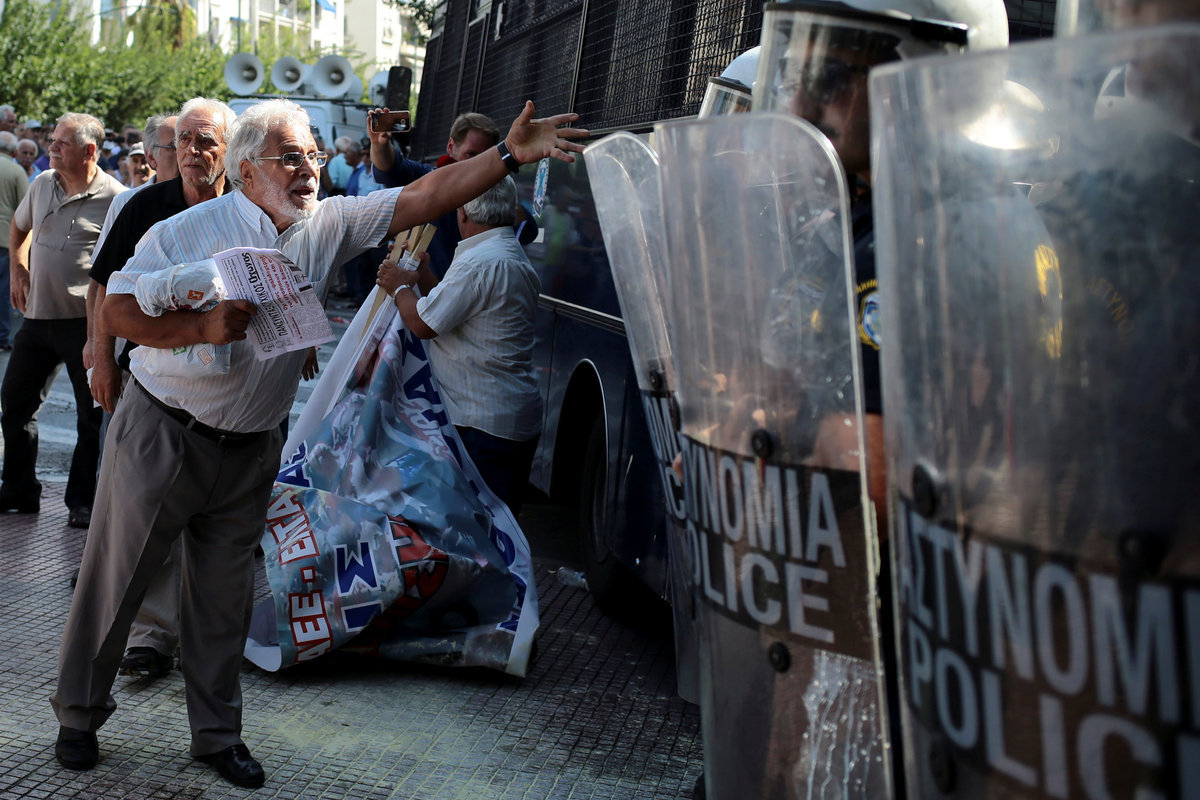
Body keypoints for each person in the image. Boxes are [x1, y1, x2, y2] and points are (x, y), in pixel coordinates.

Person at [51, 97, 586, 789]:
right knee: (116, 582)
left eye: (313, 155)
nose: (310, 169)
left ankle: (216, 737)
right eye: (291, 157)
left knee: (222, 600)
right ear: (248, 173)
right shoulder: (187, 232)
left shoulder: (326, 222)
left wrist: (509, 155)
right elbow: (121, 308)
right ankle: (78, 717)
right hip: (165, 431)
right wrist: (203, 329)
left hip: (248, 446)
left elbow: (423, 194)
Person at [86, 99, 235, 682]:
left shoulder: (248, 210)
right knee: (140, 512)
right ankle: (147, 635)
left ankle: (198, 640)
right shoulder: (144, 206)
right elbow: (102, 289)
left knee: (213, 526)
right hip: (150, 386)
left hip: (228, 396)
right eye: (186, 143)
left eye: (206, 143)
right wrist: (101, 357)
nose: (194, 154)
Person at [376, 175, 542, 514]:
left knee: (480, 533)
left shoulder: (479, 262)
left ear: (462, 212)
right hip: (503, 415)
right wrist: (421, 275)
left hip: (484, 423)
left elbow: (424, 324)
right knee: (496, 527)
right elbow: (448, 311)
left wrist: (398, 287)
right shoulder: (502, 253)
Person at [0, 113, 124, 524]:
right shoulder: (39, 185)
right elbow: (19, 230)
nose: (51, 148)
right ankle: (19, 490)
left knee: (91, 416)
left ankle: (83, 501)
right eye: (52, 141)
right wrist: (18, 268)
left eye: (61, 143)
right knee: (14, 405)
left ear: (90, 151)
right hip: (35, 320)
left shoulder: (117, 198)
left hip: (83, 324)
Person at [369, 110, 538, 277]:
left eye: (484, 156)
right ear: (451, 147)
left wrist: (496, 182)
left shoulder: (496, 192)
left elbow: (528, 232)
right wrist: (380, 145)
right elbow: (389, 169)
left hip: (469, 294)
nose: (476, 163)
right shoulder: (429, 179)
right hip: (422, 297)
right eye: (471, 154)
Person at [0, 131, 29, 351]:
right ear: (15, 151)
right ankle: (1, 337)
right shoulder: (16, 170)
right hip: (4, 238)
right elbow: (26, 209)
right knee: (2, 290)